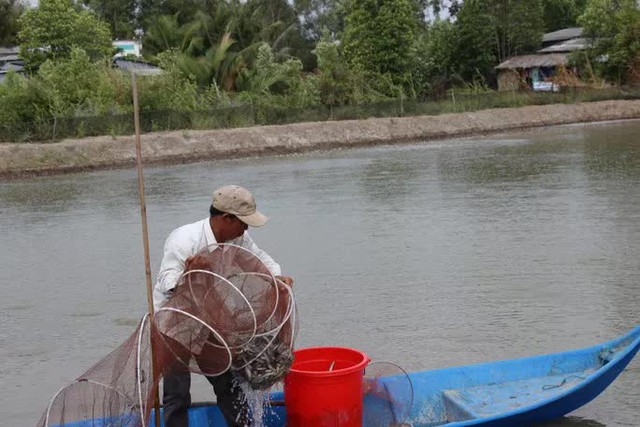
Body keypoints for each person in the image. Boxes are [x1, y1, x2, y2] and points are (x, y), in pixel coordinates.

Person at [153, 184, 293, 427]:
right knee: (177, 394)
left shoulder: (237, 237)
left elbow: (259, 259)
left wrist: (277, 278)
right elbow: (168, 283)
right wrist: (190, 272)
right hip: (176, 324)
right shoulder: (185, 239)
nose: (246, 228)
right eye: (243, 222)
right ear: (226, 218)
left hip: (212, 321)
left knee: (228, 384)